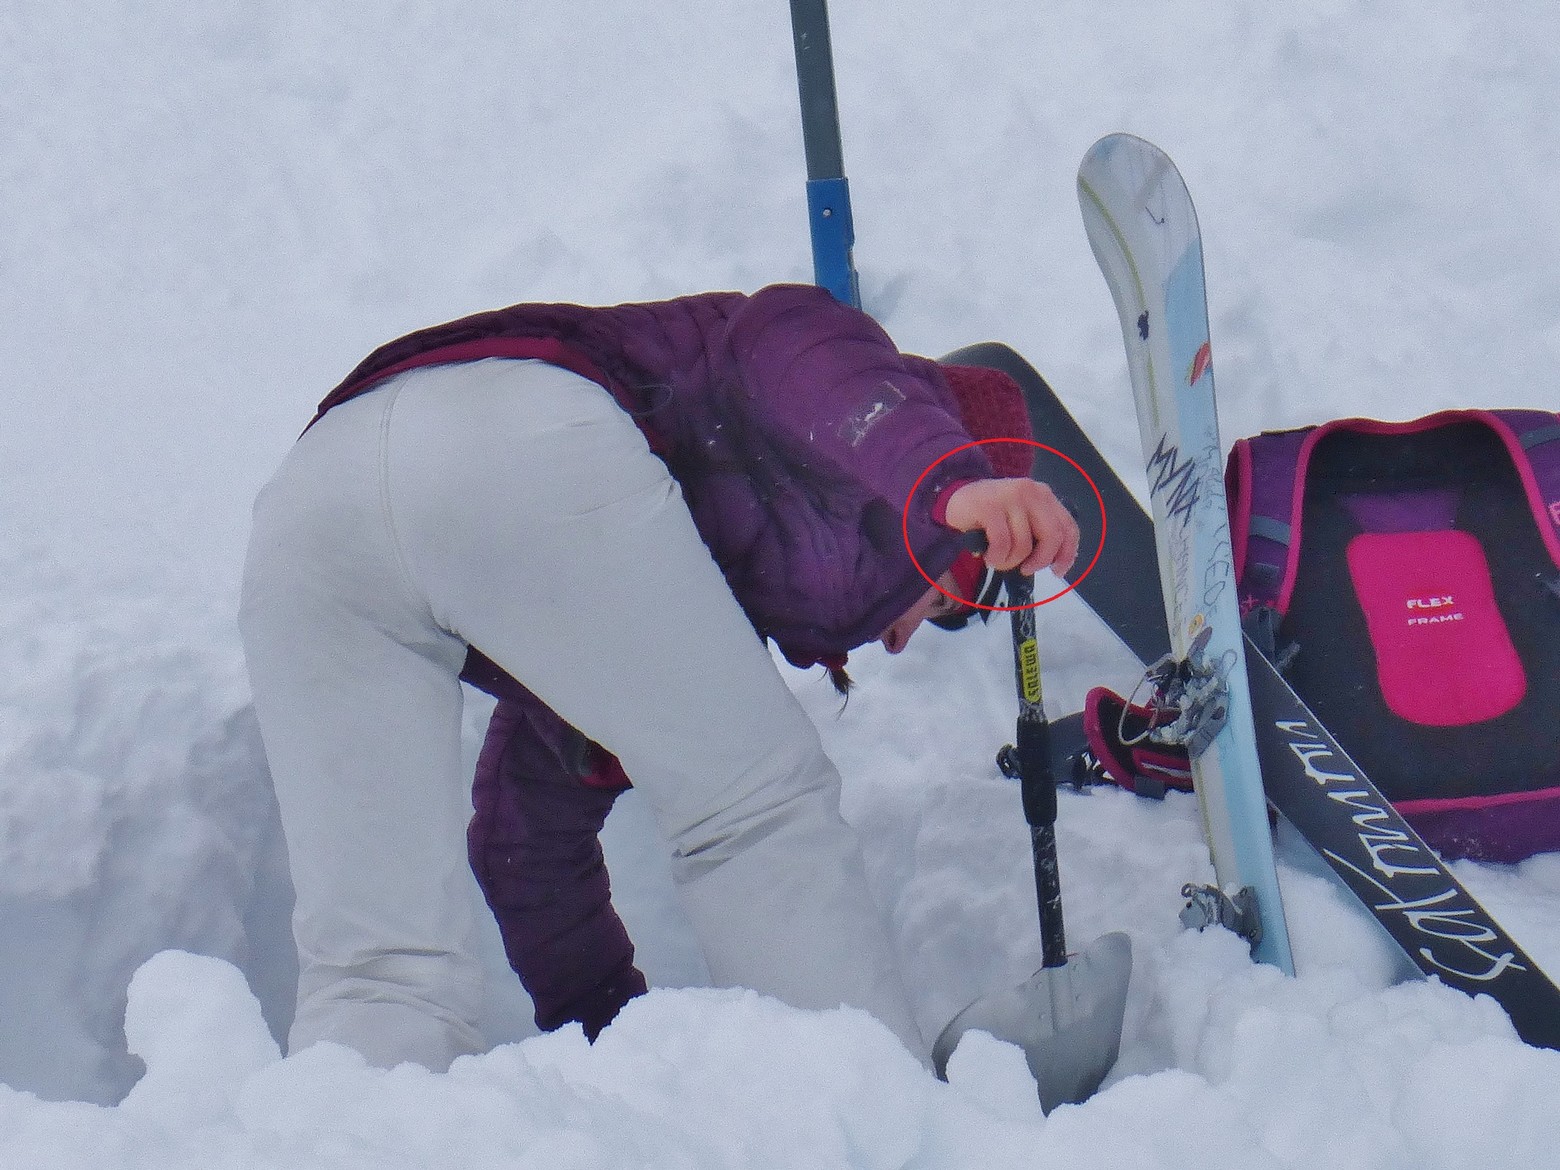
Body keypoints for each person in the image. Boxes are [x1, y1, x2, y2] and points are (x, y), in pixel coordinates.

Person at [239, 282, 1078, 1072]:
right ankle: (884, 1137)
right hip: (519, 430)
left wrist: (625, 1056)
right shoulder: (830, 379)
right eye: (954, 604)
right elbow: (805, 348)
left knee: (378, 969)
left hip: (314, 499)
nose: (903, 641)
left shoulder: (636, 584)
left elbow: (524, 845)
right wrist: (952, 480)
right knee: (756, 813)